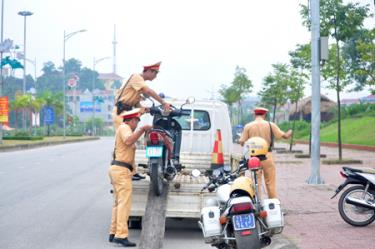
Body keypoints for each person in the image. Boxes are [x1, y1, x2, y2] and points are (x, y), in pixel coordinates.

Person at [108, 108, 152, 247]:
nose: (137, 126)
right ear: (132, 121)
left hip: (119, 169)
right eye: (137, 122)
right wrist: (142, 130)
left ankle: (113, 232)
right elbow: (128, 141)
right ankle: (121, 235)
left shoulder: (124, 127)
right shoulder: (125, 127)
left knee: (118, 203)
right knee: (124, 204)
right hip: (121, 171)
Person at [239, 107, 292, 198]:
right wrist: (290, 132)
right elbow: (285, 136)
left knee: (256, 181)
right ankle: (273, 202)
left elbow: (242, 142)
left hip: (254, 157)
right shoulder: (271, 125)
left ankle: (259, 204)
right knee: (270, 182)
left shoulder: (248, 126)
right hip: (267, 155)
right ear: (265, 114)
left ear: (254, 114)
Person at [112, 61, 172, 131]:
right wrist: (163, 103)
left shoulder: (139, 85)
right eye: (155, 73)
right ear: (149, 71)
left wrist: (147, 109)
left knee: (128, 139)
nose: (155, 76)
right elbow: (148, 91)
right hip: (121, 111)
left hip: (127, 111)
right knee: (126, 139)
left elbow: (136, 104)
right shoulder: (136, 77)